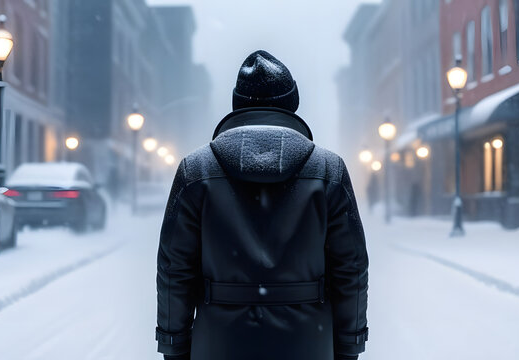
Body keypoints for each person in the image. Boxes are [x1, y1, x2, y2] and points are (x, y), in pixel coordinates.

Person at [156, 50, 369, 360]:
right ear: (292, 104)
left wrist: (174, 346)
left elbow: (174, 268)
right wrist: (349, 345)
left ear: (237, 104)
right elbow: (351, 268)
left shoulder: (196, 170)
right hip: (308, 342)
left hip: (218, 343)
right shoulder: (328, 170)